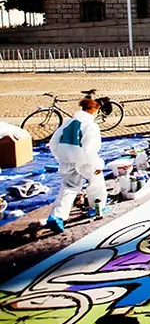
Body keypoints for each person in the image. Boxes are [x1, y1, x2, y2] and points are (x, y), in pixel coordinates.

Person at [47, 98, 108, 233]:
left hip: (66, 160)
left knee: (69, 187)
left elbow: (53, 143)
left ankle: (57, 216)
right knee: (96, 182)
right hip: (83, 160)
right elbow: (89, 150)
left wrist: (61, 156)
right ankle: (97, 206)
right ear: (95, 110)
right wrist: (98, 165)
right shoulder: (91, 126)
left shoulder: (68, 122)